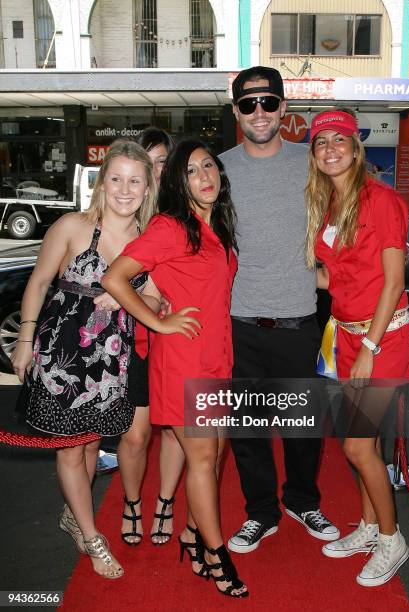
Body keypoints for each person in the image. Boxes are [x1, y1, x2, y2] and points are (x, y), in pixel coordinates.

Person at [102, 139, 248, 598]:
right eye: (190, 171)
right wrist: (158, 322)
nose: (204, 176)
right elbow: (114, 277)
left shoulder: (217, 226)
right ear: (176, 183)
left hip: (217, 357)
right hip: (184, 359)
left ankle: (192, 535)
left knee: (215, 457)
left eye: (209, 166)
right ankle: (217, 554)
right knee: (204, 459)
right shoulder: (170, 227)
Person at [11, 139, 158, 579]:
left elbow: (157, 297)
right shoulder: (73, 227)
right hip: (64, 357)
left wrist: (132, 298)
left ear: (148, 187)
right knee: (73, 448)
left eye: (135, 180)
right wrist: (24, 339)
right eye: (116, 179)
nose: (125, 189)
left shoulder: (150, 238)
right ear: (101, 184)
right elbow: (38, 283)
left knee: (93, 442)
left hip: (113, 360)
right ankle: (93, 539)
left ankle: (75, 515)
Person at [219, 65, 338, 554]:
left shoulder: (311, 162)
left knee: (302, 427)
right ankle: (261, 512)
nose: (259, 112)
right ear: (236, 112)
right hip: (238, 321)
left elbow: (349, 216)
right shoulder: (217, 168)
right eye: (248, 104)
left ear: (283, 108)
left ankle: (303, 500)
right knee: (246, 430)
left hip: (298, 319)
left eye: (269, 102)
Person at [306, 108, 409, 586]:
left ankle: (392, 539)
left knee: (355, 446)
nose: (330, 148)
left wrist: (370, 344)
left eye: (339, 139)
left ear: (355, 146)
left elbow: (394, 282)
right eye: (321, 141)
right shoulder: (329, 207)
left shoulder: (381, 200)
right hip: (345, 337)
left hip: (380, 338)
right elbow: (333, 279)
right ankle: (370, 527)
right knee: (362, 442)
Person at [119, 127, 185, 546]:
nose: (155, 169)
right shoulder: (123, 213)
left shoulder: (183, 210)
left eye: (163, 161)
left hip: (174, 336)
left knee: (178, 430)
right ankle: (131, 503)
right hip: (129, 339)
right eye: (148, 161)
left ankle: (164, 502)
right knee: (136, 434)